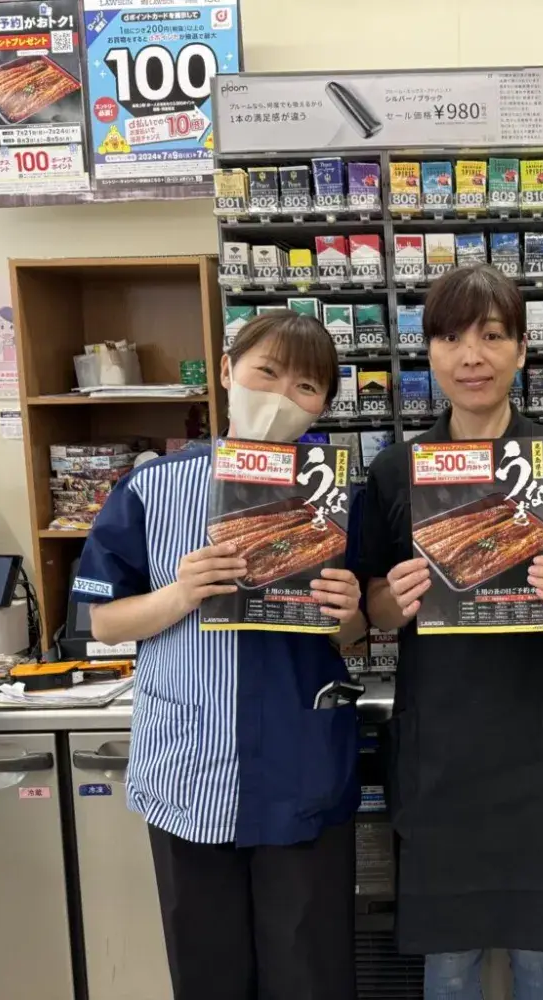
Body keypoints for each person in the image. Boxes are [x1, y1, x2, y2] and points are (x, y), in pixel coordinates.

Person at [73, 311, 364, 1000]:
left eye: (306, 386)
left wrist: (349, 612)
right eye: (268, 372)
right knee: (209, 974)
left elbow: (352, 637)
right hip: (190, 767)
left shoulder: (339, 497)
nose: (283, 397)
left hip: (300, 768)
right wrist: (181, 594)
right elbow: (102, 621)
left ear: (323, 405)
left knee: (309, 975)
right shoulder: (152, 487)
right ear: (229, 371)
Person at [358, 265, 543, 1000]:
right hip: (441, 744)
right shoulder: (396, 470)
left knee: (542, 954)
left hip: (538, 739)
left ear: (522, 349)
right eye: (450, 338)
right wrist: (396, 599)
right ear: (429, 352)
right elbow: (371, 607)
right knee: (448, 959)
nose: (471, 356)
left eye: (492, 336)